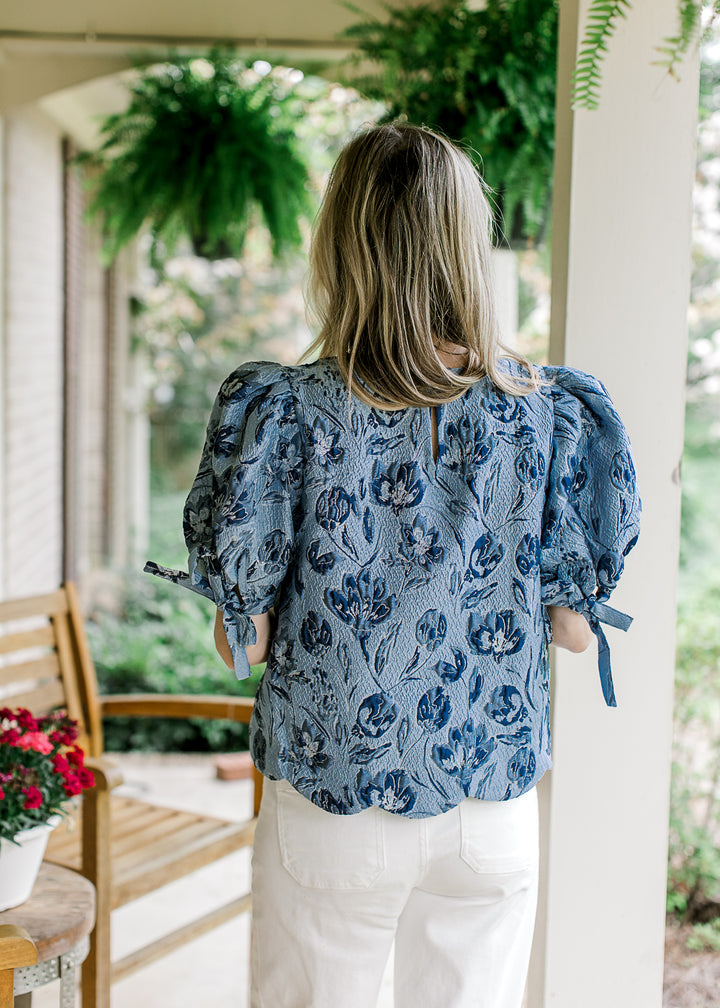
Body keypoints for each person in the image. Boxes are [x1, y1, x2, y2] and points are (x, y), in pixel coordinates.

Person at [146, 122, 641, 1008]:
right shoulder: (550, 413)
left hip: (332, 805)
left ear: (344, 243)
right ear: (468, 246)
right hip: (489, 812)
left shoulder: (286, 412)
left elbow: (248, 641)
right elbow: (572, 629)